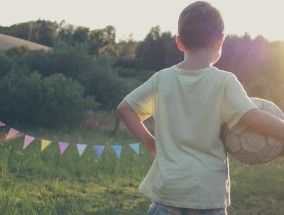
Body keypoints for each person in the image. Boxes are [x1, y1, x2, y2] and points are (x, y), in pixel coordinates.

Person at [117, 1, 284, 214]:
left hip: (168, 192)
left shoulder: (162, 79)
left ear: (179, 42)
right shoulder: (224, 81)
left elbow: (125, 108)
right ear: (219, 40)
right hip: (207, 197)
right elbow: (253, 116)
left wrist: (150, 142)